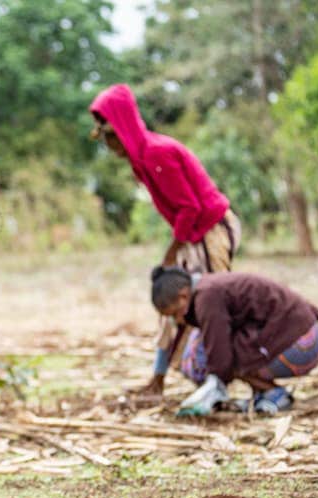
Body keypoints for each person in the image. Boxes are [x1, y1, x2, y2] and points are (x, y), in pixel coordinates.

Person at [90, 83, 243, 397]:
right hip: (193, 235)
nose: (108, 145)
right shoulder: (142, 160)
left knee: (214, 301)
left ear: (122, 129)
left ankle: (222, 381)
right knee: (173, 302)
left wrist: (172, 251)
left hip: (211, 229)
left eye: (110, 136)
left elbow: (190, 207)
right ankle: (159, 378)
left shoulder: (157, 153)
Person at [150, 266, 318, 414]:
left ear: (183, 296)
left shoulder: (207, 296)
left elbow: (220, 354)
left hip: (302, 345)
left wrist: (210, 392)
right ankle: (262, 392)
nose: (178, 320)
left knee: (223, 355)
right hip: (305, 335)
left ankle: (274, 393)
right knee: (226, 349)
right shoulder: (207, 288)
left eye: (175, 314)